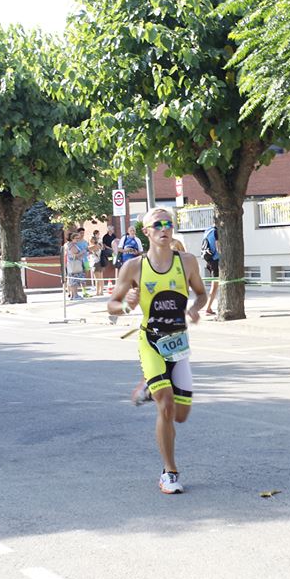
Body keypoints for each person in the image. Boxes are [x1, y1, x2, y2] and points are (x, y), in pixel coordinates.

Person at [107, 207, 207, 495]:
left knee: (180, 415)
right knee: (166, 405)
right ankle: (169, 472)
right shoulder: (134, 267)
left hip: (178, 343)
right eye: (158, 225)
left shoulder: (187, 262)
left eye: (168, 224)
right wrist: (127, 305)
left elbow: (201, 293)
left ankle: (150, 386)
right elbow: (111, 305)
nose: (164, 229)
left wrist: (195, 308)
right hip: (150, 341)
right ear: (146, 232)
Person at [201, 225, 219, 316]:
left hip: (209, 260)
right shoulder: (216, 232)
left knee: (215, 284)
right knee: (214, 286)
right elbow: (218, 247)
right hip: (215, 260)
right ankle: (208, 308)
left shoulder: (208, 230)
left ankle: (209, 308)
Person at [64, 231, 86, 300]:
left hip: (72, 265)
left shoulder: (69, 244)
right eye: (76, 238)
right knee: (74, 281)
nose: (78, 239)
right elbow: (75, 256)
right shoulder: (71, 245)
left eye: (78, 238)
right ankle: (75, 295)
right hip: (74, 265)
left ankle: (73, 295)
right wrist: (83, 252)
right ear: (72, 238)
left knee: (73, 280)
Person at [88, 229, 104, 296]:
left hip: (95, 262)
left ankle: (98, 292)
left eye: (90, 240)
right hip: (99, 262)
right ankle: (101, 291)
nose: (89, 241)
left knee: (97, 279)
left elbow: (88, 249)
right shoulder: (99, 245)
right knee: (101, 278)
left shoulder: (94, 246)